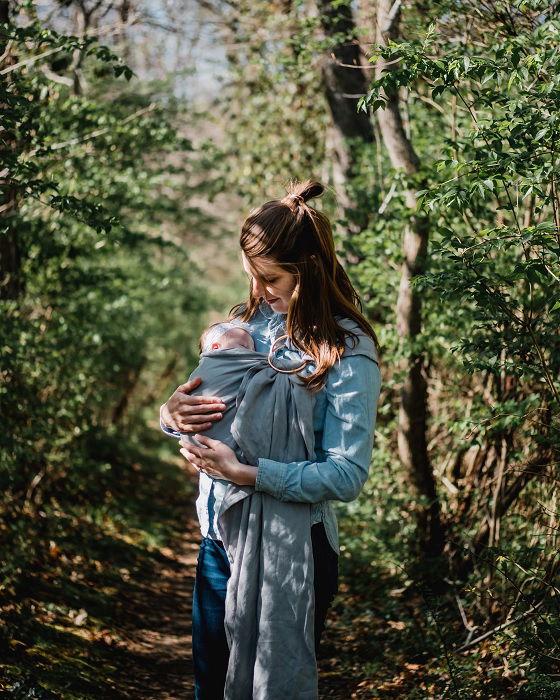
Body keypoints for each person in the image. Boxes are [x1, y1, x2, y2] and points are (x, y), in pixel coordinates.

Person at [160, 179, 381, 699]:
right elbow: (197, 407)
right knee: (210, 687)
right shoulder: (241, 327)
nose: (259, 291)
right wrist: (169, 413)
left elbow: (346, 474)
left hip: (295, 549)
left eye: (271, 278)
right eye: (251, 276)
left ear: (308, 270)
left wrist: (246, 473)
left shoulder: (347, 349)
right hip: (219, 538)